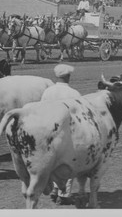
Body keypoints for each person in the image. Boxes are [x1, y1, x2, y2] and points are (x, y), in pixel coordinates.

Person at [41, 64, 80, 206]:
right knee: (68, 164)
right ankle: (63, 194)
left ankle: (54, 189)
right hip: (67, 133)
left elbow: (42, 110)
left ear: (56, 76)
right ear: (68, 76)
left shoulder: (48, 92)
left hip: (50, 131)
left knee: (52, 162)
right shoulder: (74, 93)